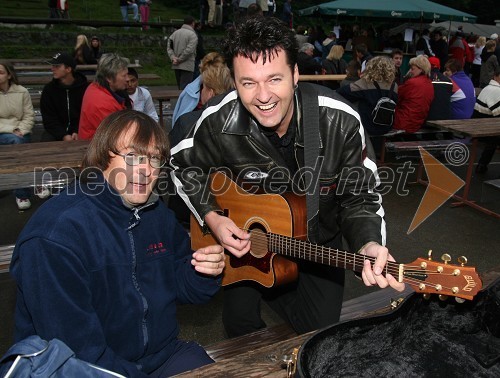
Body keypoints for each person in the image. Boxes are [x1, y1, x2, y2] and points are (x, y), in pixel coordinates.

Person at [169, 16, 404, 338]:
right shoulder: (218, 119)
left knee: (319, 332)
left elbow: (360, 194)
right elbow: (183, 166)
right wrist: (213, 218)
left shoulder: (340, 119)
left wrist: (368, 242)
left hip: (320, 236)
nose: (263, 96)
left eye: (274, 79)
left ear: (295, 74)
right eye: (248, 83)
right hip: (243, 234)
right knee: (240, 325)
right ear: (235, 82)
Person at [10, 109, 225, 377]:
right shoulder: (55, 236)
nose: (146, 170)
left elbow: (182, 287)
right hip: (82, 368)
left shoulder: (156, 214)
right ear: (102, 158)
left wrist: (204, 271)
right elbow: (77, 351)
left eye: (155, 160)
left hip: (160, 356)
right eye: (133, 157)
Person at [0, 60, 36, 210]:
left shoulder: (22, 92)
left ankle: (22, 192)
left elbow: (29, 116)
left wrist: (21, 129)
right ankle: (24, 191)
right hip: (5, 132)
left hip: (21, 132)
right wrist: (12, 129)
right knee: (17, 142)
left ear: (9, 75)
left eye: (1, 72)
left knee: (19, 143)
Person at [337, 56, 398, 137]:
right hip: (386, 126)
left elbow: (341, 92)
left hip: (367, 126)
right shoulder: (394, 86)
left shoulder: (366, 83)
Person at [172, 51, 233, 126]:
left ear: (211, 93)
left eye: (203, 87)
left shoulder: (188, 119)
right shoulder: (234, 112)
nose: (201, 91)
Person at [79, 53, 131, 140]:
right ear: (109, 78)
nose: (128, 79)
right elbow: (118, 136)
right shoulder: (103, 104)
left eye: (127, 74)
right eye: (124, 75)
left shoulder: (95, 86)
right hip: (95, 148)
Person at [40, 52, 89, 141]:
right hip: (55, 133)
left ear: (68, 69)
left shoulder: (85, 88)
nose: (52, 69)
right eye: (52, 66)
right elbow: (48, 119)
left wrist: (76, 130)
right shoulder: (49, 90)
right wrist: (63, 135)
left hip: (80, 130)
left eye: (57, 66)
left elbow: (87, 114)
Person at [393, 55, 434, 133]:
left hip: (403, 122)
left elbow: (396, 96)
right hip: (418, 122)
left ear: (421, 69)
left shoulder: (412, 82)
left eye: (412, 69)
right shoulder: (429, 83)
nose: (410, 71)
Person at [474, 67, 500, 173]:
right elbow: (498, 113)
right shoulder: (496, 90)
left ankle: (482, 164)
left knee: (494, 140)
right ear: (496, 76)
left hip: (481, 126)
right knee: (495, 138)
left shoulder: (488, 88)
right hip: (486, 130)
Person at [167, 15, 198, 90]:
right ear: (193, 23)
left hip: (176, 65)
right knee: (185, 89)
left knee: (179, 87)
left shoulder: (174, 34)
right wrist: (180, 59)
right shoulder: (192, 35)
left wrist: (173, 58)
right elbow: (189, 50)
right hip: (187, 65)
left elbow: (170, 47)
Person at [427, 56, 454, 121]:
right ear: (439, 67)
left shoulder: (425, 80)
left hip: (428, 118)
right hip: (445, 117)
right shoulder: (448, 81)